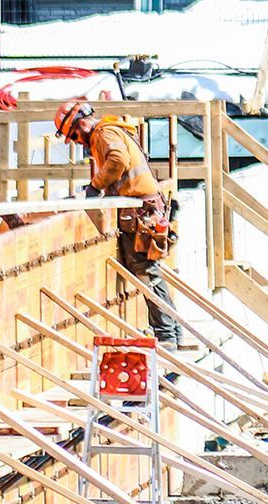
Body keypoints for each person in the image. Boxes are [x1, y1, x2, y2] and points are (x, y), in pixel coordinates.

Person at [54, 97, 179, 345]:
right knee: (150, 273)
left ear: (81, 127)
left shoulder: (103, 133)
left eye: (76, 138)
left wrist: (96, 185)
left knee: (146, 274)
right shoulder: (112, 130)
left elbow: (118, 160)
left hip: (140, 212)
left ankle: (167, 335)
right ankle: (172, 332)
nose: (81, 145)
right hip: (145, 209)